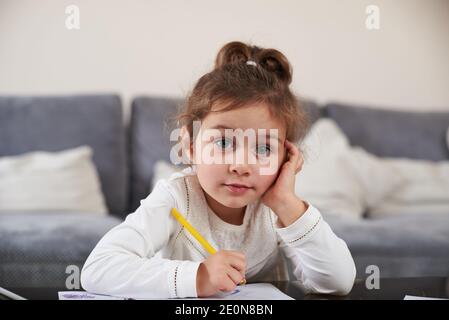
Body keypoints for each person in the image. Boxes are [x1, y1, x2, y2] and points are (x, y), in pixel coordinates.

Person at [81, 41, 356, 299]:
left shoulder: (277, 209)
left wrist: (287, 204)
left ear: (286, 158)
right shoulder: (176, 198)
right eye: (224, 142)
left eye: (263, 149)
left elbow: (338, 282)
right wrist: (198, 277)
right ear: (190, 146)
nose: (241, 166)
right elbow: (98, 268)